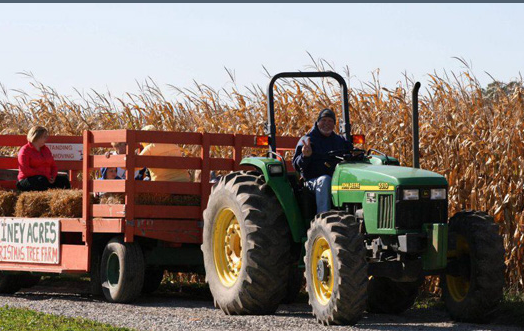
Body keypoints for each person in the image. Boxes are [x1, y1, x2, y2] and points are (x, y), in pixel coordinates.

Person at [292, 108, 349, 213]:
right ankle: (323, 217)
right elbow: (296, 165)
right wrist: (305, 156)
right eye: (323, 120)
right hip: (312, 181)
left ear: (334, 124)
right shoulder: (307, 140)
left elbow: (349, 154)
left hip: (337, 179)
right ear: (318, 122)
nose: (326, 123)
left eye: (330, 121)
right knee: (325, 180)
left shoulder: (340, 141)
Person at [16, 126, 71, 191]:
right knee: (41, 180)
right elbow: (26, 170)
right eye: (44, 136)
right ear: (36, 137)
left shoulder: (46, 149)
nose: (46, 139)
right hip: (27, 180)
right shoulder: (25, 150)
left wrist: (53, 176)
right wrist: (45, 175)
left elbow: (53, 166)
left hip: (46, 178)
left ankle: (64, 199)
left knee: (63, 180)